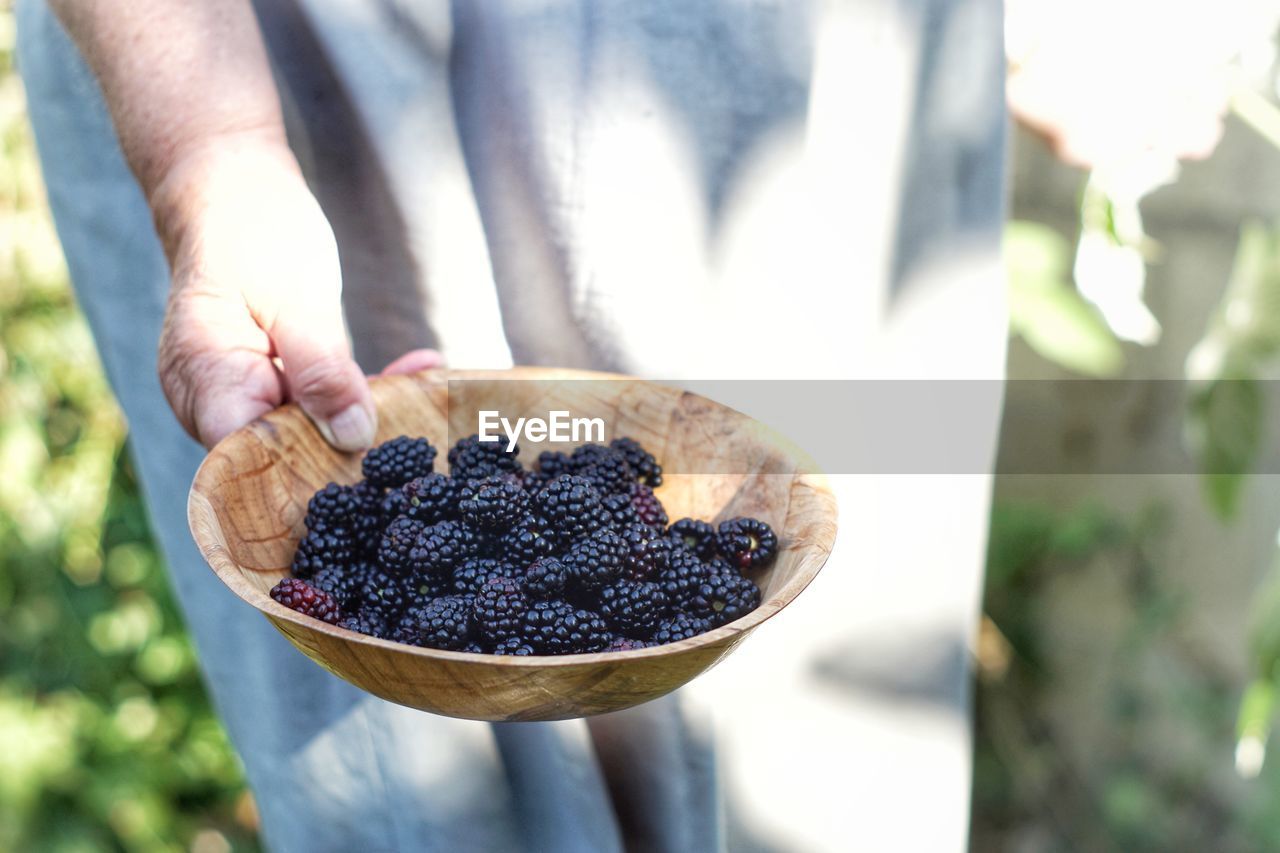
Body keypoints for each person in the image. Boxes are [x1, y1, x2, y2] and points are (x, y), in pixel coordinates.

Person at [16, 1, 1007, 850]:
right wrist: (209, 157)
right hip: (235, 60)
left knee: (819, 701)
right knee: (406, 774)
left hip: (801, 73)